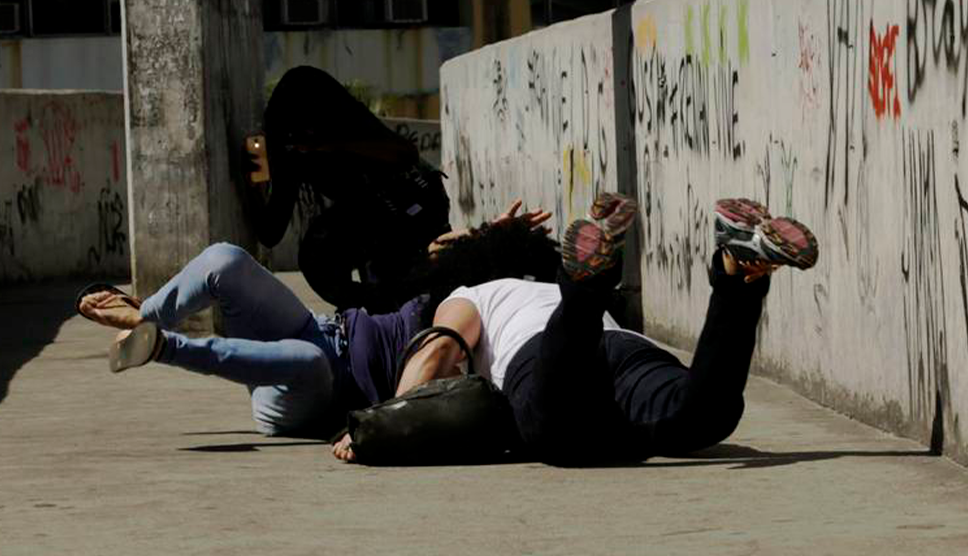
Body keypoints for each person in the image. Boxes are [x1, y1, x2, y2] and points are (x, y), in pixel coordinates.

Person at [332, 195, 819, 465]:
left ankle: (589, 287)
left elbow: (441, 348)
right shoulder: (536, 288)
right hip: (624, 347)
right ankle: (734, 271)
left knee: (558, 432)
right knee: (703, 416)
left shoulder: (472, 294)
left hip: (543, 356)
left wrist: (380, 425)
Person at [77, 201, 557, 439]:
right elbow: (415, 273)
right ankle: (147, 313)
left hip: (311, 394)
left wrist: (372, 431)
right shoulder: (451, 293)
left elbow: (431, 396)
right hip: (318, 328)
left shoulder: (484, 338)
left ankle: (163, 347)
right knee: (225, 260)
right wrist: (483, 236)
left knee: (308, 361)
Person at [248, 65, 452, 314]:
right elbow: (271, 232)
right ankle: (371, 309)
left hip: (416, 202)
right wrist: (256, 187)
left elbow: (405, 154)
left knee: (414, 283)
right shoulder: (289, 149)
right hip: (372, 214)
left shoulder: (348, 124)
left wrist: (331, 144)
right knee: (320, 250)